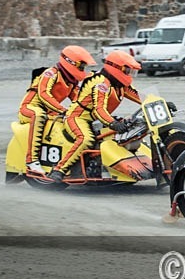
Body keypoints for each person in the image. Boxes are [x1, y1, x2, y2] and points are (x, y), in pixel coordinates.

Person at [49, 51, 142, 182]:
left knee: (129, 131)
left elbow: (140, 96)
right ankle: (59, 170)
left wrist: (159, 102)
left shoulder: (119, 84)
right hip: (77, 117)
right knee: (85, 139)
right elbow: (99, 109)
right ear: (116, 67)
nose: (129, 74)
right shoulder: (101, 83)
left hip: (96, 120)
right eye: (127, 71)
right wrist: (112, 123)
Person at [18, 46, 96, 175]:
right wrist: (62, 110)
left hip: (50, 112)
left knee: (71, 123)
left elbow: (79, 101)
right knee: (38, 115)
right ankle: (31, 161)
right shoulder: (51, 73)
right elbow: (43, 94)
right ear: (71, 62)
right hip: (29, 108)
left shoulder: (71, 82)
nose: (82, 69)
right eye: (81, 66)